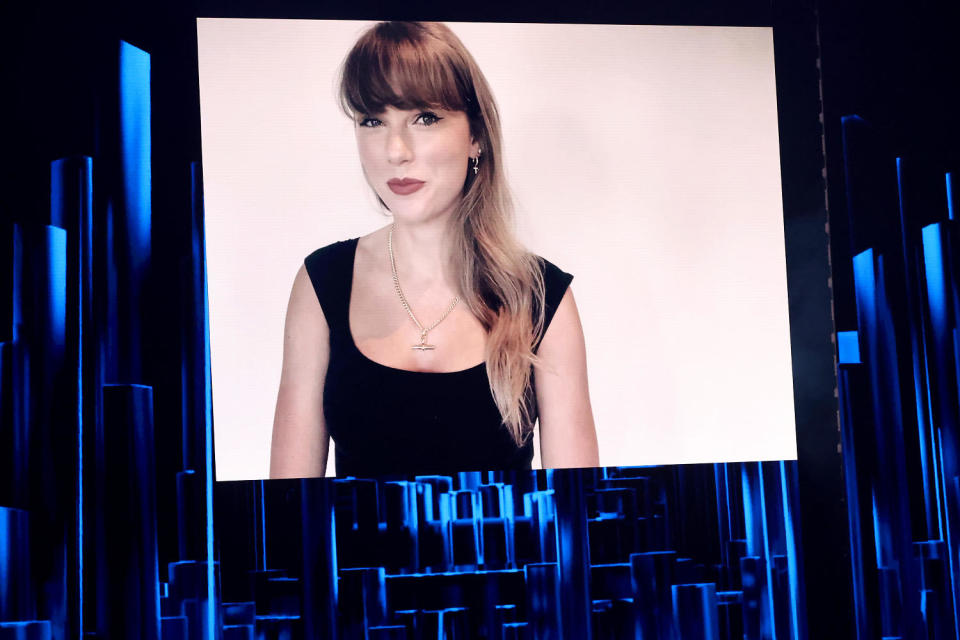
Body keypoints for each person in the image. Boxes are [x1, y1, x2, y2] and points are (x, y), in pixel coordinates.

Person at [269, 21, 598, 478]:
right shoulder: (322, 283)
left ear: (476, 136)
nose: (395, 151)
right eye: (372, 120)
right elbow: (288, 514)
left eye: (424, 117)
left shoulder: (542, 297)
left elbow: (575, 513)